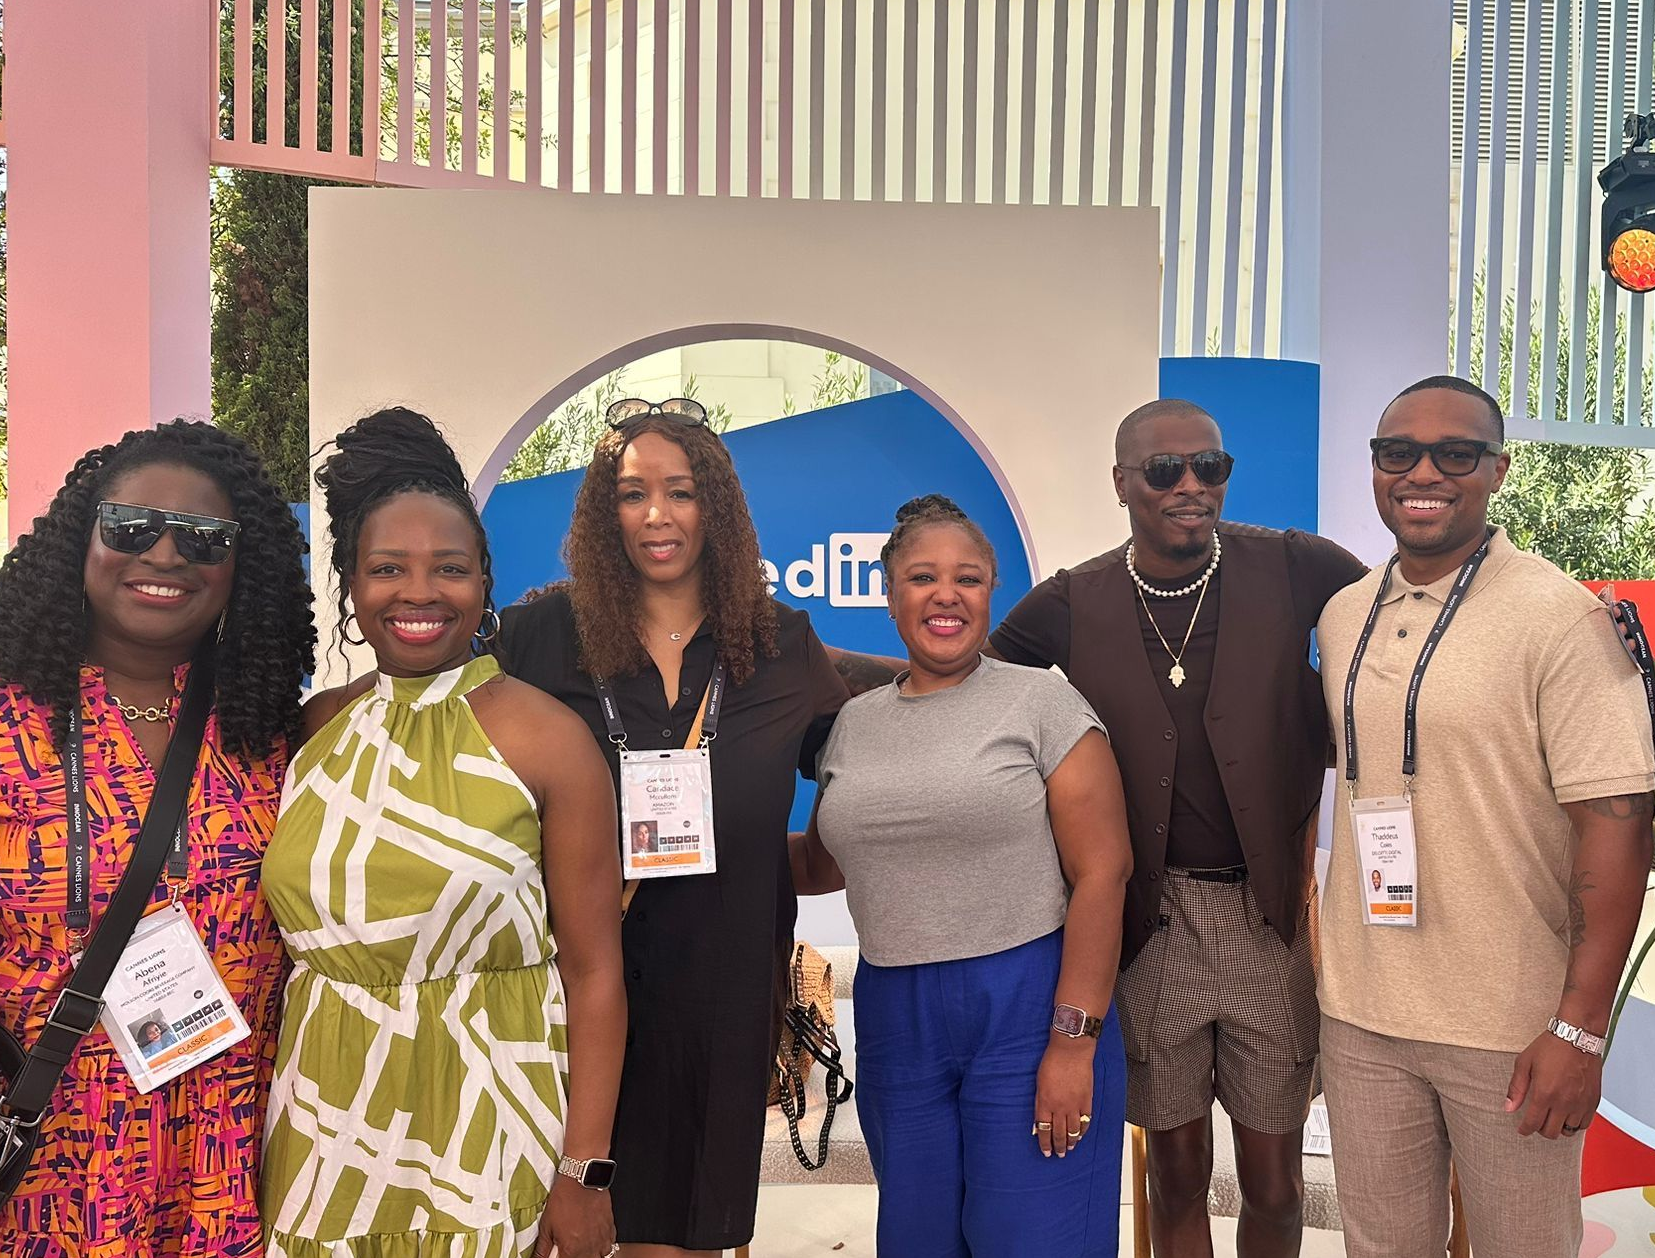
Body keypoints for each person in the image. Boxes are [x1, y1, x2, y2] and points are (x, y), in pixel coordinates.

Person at [987, 398, 1367, 1258]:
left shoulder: (1295, 567)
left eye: (1210, 468)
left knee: (1274, 1181)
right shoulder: (1072, 601)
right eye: (1165, 471)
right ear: (1122, 483)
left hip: (1266, 922)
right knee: (1174, 1173)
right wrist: (825, 683)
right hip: (1146, 927)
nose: (1191, 486)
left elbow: (1404, 624)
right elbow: (964, 685)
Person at [0, 420, 314, 1258]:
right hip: (30, 1156)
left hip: (224, 1153)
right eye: (133, 527)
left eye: (204, 539)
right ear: (83, 538)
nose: (168, 555)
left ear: (239, 567)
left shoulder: (270, 730)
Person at [258, 408, 627, 1258]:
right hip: (325, 1126)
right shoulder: (313, 732)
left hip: (491, 1123)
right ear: (351, 583)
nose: (419, 592)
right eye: (388, 567)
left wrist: (585, 1174)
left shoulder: (547, 740)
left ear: (484, 583)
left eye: (449, 569)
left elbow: (595, 971)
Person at [496, 395, 849, 1258]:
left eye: (681, 491)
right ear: (600, 513)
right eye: (631, 493)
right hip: (567, 989)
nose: (656, 514)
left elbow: (868, 781)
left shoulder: (779, 643)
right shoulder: (538, 640)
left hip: (723, 998)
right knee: (559, 1230)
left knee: (686, 1242)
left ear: (715, 509)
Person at [1315, 375, 1655, 1258]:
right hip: (1362, 1018)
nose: (1422, 471)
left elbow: (1616, 823)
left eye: (1454, 453)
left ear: (1496, 470)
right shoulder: (1345, 613)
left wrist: (1578, 1027)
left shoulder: (1562, 619)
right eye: (1398, 452)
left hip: (1510, 1025)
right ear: (1375, 467)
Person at [793, 494, 1133, 1257]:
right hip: (894, 1014)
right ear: (888, 597)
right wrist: (694, 851)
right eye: (922, 577)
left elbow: (1103, 873)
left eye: (968, 578)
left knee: (1032, 1239)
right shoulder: (854, 723)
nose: (946, 594)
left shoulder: (1040, 699)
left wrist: (1073, 1043)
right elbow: (821, 862)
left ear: (989, 593)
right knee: (919, 1241)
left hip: (1028, 1007)